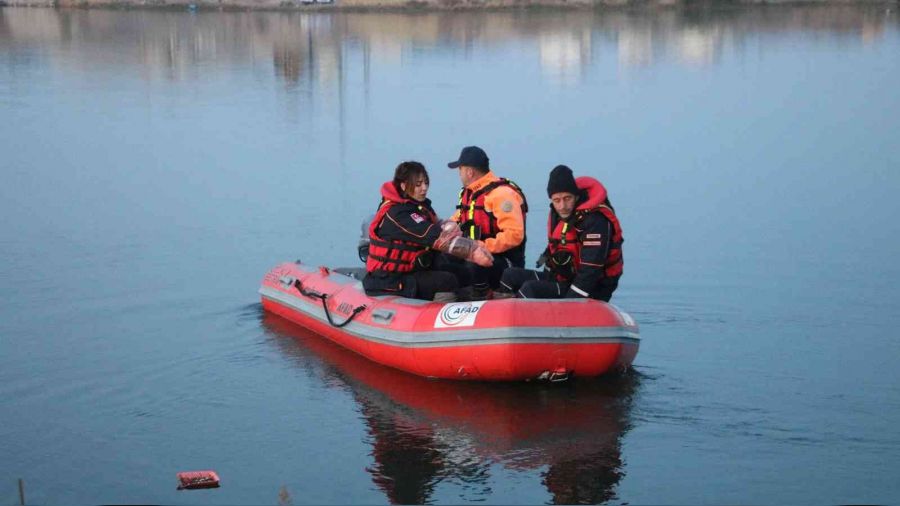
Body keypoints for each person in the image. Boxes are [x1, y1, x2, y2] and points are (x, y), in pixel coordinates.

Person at [364, 161, 493, 301]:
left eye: (426, 183)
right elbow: (434, 236)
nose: (424, 188)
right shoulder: (397, 214)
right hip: (390, 279)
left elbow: (436, 225)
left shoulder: (418, 206)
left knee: (464, 274)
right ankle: (447, 317)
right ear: (404, 186)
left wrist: (452, 228)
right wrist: (473, 252)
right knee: (447, 280)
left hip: (413, 270)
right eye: (418, 184)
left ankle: (475, 308)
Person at [494, 165, 623, 302]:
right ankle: (495, 318)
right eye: (557, 200)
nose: (562, 206)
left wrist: (569, 303)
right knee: (510, 275)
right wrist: (544, 267)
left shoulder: (595, 221)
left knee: (530, 289)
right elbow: (555, 246)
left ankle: (519, 317)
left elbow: (591, 270)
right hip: (564, 278)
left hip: (593, 287)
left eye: (567, 198)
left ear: (576, 196)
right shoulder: (558, 214)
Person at [446, 145, 528, 299]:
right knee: (444, 258)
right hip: (476, 253)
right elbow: (457, 219)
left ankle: (482, 295)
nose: (459, 174)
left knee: (475, 262)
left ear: (469, 172)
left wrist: (480, 247)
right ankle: (459, 294)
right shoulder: (471, 194)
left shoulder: (501, 195)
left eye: (460, 170)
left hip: (504, 261)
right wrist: (440, 235)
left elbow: (515, 235)